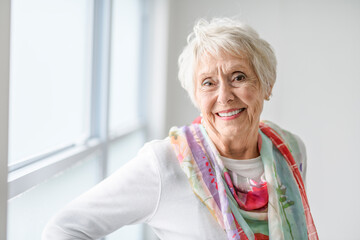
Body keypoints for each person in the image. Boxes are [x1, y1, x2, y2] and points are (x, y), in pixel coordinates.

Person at [42, 18, 318, 240]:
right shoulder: (165, 165)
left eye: (239, 77)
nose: (224, 96)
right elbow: (64, 229)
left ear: (267, 85)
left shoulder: (291, 150)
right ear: (196, 96)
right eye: (208, 83)